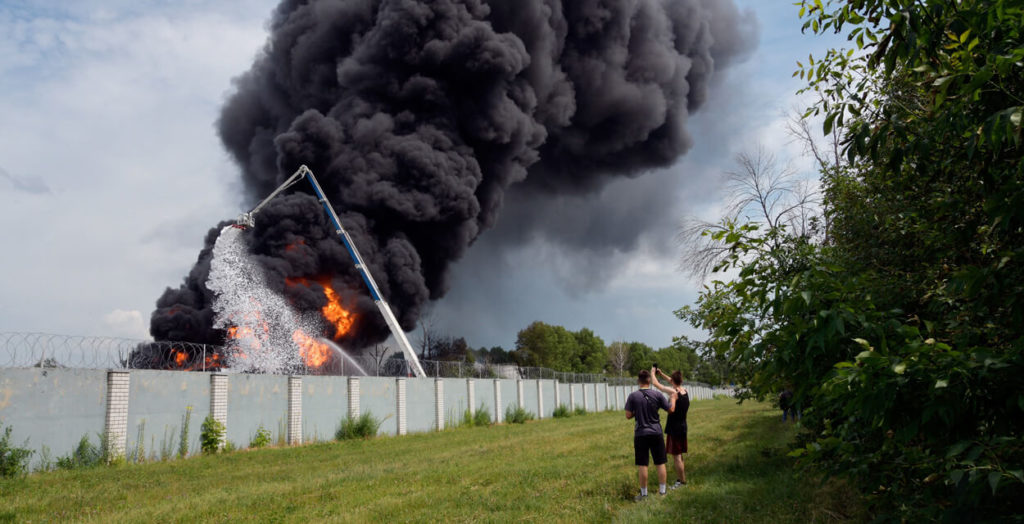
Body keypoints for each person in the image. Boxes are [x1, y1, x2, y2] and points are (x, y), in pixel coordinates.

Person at [624, 369, 675, 502]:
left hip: (641, 433)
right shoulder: (657, 395)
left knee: (643, 464)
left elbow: (628, 415)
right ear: (649, 381)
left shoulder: (633, 396)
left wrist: (637, 411)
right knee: (660, 462)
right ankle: (663, 492)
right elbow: (670, 410)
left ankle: (644, 494)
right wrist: (673, 399)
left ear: (638, 381)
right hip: (656, 432)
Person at [652, 367, 689, 488]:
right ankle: (681, 479)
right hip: (683, 426)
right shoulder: (684, 391)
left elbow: (657, 385)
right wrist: (662, 374)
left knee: (677, 457)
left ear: (673, 381)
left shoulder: (674, 393)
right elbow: (672, 381)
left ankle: (682, 482)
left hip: (675, 428)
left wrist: (653, 373)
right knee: (680, 456)